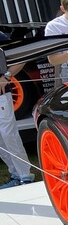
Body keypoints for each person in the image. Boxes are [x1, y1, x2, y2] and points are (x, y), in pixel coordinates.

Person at [0, 57, 34, 189]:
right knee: (1, 139)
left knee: (9, 135)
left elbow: (22, 57)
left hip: (2, 95)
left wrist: (7, 77)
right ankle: (15, 174)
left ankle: (25, 176)